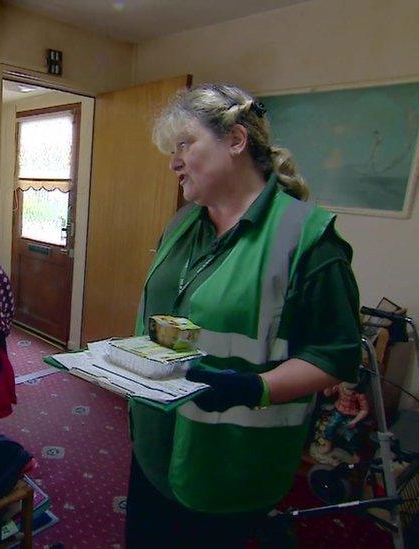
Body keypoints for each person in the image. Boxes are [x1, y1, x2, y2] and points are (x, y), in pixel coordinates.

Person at [126, 83, 362, 547]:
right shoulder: (183, 224)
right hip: (155, 442)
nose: (173, 162)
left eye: (184, 145)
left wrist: (255, 387)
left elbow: (336, 354)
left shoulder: (309, 239)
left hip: (230, 462)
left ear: (235, 141)